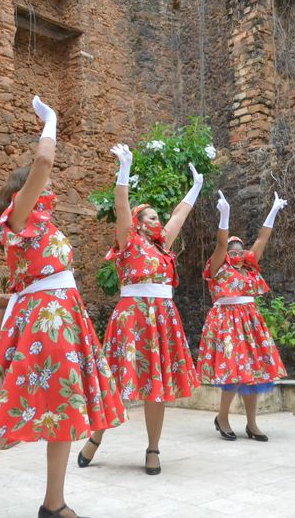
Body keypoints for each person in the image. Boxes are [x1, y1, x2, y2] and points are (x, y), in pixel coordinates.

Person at [0, 96, 127, 518]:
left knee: (66, 410)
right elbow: (44, 165)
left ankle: (53, 503)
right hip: (44, 320)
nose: (47, 192)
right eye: (38, 189)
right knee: (10, 410)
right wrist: (50, 124)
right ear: (21, 194)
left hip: (64, 317)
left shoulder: (45, 227)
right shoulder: (15, 223)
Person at [76, 143, 201, 475]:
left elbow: (179, 216)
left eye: (158, 217)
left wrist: (196, 187)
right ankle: (95, 437)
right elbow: (120, 206)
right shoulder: (128, 240)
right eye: (152, 216)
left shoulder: (163, 246)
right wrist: (124, 170)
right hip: (133, 316)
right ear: (140, 222)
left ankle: (153, 449)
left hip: (161, 315)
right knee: (115, 380)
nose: (159, 220)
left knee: (154, 384)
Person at [197, 190, 289, 442]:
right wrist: (224, 216)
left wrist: (273, 210)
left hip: (250, 322)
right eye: (233, 252)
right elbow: (220, 244)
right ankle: (223, 417)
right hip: (227, 322)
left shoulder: (249, 268)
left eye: (240, 252)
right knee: (233, 370)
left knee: (254, 372)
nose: (237, 256)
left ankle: (252, 424)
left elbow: (262, 239)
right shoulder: (217, 268)